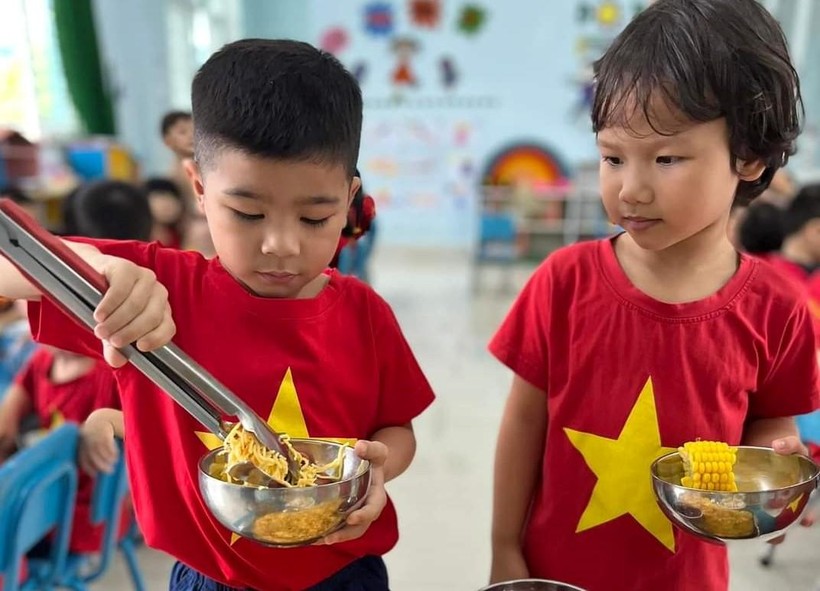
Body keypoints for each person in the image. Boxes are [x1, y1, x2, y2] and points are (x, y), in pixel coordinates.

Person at [1, 39, 434, 591]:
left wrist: (379, 465)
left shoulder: (365, 314)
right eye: (247, 213)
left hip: (346, 571)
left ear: (348, 201)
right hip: (212, 576)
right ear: (200, 190)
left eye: (314, 218)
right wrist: (104, 269)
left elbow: (397, 428)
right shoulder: (161, 290)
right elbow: (10, 261)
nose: (281, 245)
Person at [487, 2, 819, 590]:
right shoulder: (563, 282)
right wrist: (504, 546)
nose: (630, 189)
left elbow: (770, 422)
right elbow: (522, 425)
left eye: (666, 158)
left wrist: (775, 473)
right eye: (613, 157)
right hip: (555, 574)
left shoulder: (778, 308)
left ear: (749, 157)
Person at [161, 110, 214, 257]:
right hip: (193, 234)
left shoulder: (210, 166)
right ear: (168, 141)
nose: (191, 136)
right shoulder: (172, 177)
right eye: (182, 132)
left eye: (193, 130)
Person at [144, 177, 186, 248]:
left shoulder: (184, 235)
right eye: (160, 196)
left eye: (172, 196)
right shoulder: (137, 238)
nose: (168, 202)